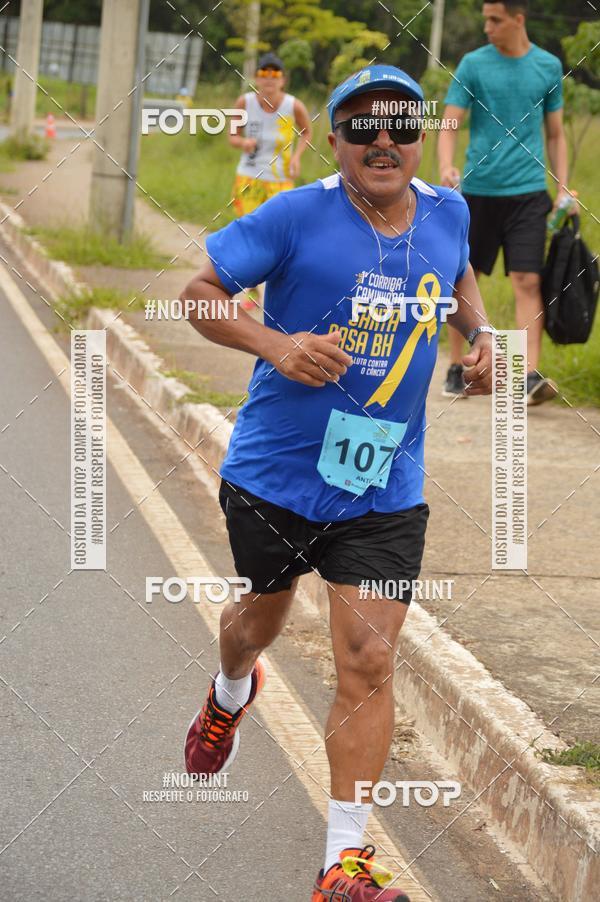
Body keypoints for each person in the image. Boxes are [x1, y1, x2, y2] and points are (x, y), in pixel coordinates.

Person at [181, 64, 493, 900]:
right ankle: (229, 690)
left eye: (398, 122)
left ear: (418, 134)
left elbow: (458, 271)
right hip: (275, 475)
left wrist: (481, 332)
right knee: (259, 621)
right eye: (361, 126)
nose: (381, 138)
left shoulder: (448, 209)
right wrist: (275, 344)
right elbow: (199, 294)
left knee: (369, 657)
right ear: (333, 139)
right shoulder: (294, 213)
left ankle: (342, 864)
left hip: (386, 484)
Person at [437, 0, 571, 404]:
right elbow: (449, 124)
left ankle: (526, 375)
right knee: (465, 276)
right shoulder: (473, 65)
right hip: (477, 190)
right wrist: (446, 167)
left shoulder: (547, 67)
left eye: (495, 20)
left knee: (528, 280)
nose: (487, 28)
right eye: (485, 20)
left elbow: (555, 135)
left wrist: (562, 187)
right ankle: (459, 368)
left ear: (518, 18)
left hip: (529, 191)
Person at [229, 51, 312, 310]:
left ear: (283, 80)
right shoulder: (245, 103)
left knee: (284, 235)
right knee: (251, 233)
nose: (269, 79)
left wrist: (297, 156)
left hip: (281, 180)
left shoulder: (293, 106)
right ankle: (253, 291)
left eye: (274, 74)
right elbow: (232, 135)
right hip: (249, 178)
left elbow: (307, 131)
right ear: (256, 78)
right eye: (263, 74)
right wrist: (243, 142)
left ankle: (283, 289)